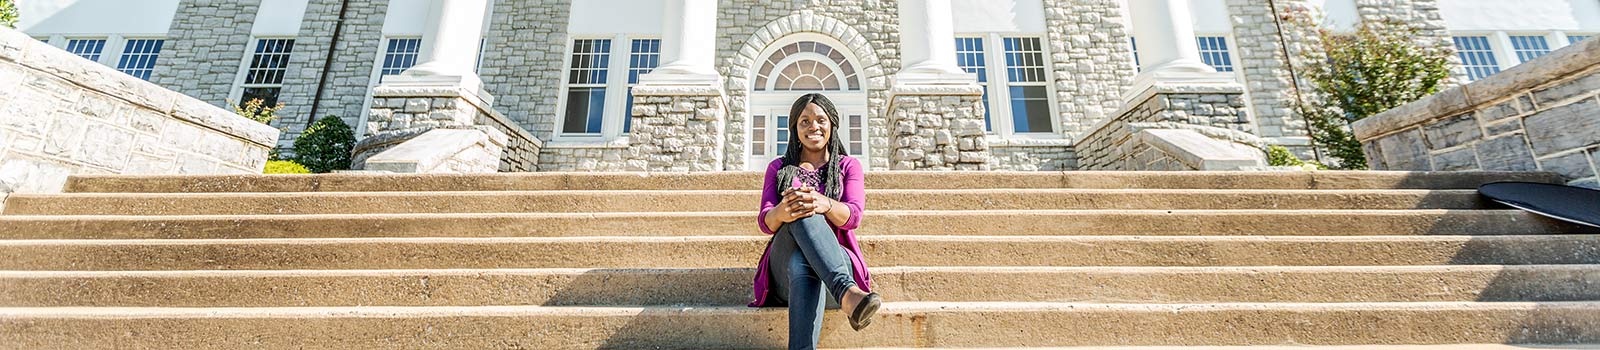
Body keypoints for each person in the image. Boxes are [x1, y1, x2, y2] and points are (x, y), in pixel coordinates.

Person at [749, 93, 882, 349]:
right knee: (800, 208)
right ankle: (848, 294)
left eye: (820, 120)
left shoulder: (848, 166)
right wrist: (783, 211)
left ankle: (841, 292)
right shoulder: (778, 168)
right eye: (804, 121)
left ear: (832, 124)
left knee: (803, 262)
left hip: (833, 268)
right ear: (794, 128)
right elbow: (766, 222)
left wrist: (826, 203)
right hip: (783, 275)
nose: (814, 126)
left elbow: (853, 216)